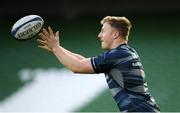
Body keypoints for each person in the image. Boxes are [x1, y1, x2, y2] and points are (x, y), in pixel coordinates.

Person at [37, 16, 160, 112]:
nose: (99, 35)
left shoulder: (117, 55)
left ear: (115, 34)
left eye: (103, 31)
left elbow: (77, 67)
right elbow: (82, 61)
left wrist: (55, 48)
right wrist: (57, 48)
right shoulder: (125, 52)